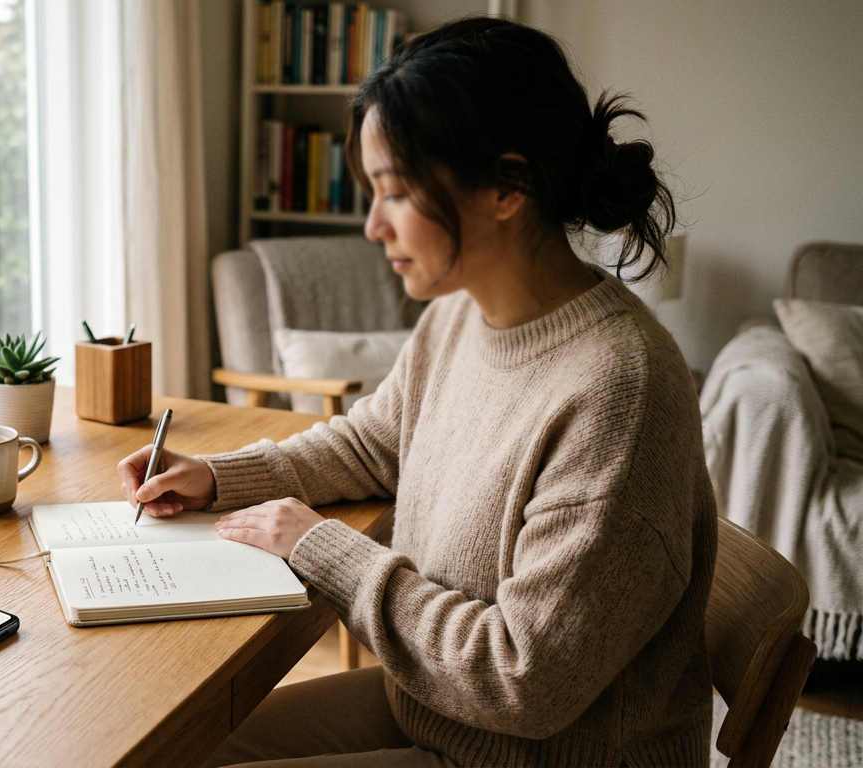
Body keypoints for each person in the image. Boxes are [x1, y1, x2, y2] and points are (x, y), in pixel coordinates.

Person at [117, 16, 717, 768]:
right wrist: (219, 477)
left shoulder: (619, 392)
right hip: (433, 709)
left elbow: (521, 678)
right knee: (167, 748)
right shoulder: (459, 316)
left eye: (395, 193)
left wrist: (320, 547)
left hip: (540, 752)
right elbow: (373, 443)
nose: (371, 225)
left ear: (507, 184)